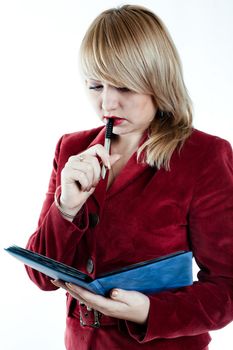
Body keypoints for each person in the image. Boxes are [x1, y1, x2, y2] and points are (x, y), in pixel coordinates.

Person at [25, 4, 233, 350]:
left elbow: (227, 289)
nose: (107, 103)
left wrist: (149, 311)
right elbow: (42, 277)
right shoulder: (71, 149)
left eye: (123, 87)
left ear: (156, 80)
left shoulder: (204, 157)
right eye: (95, 86)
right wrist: (65, 208)